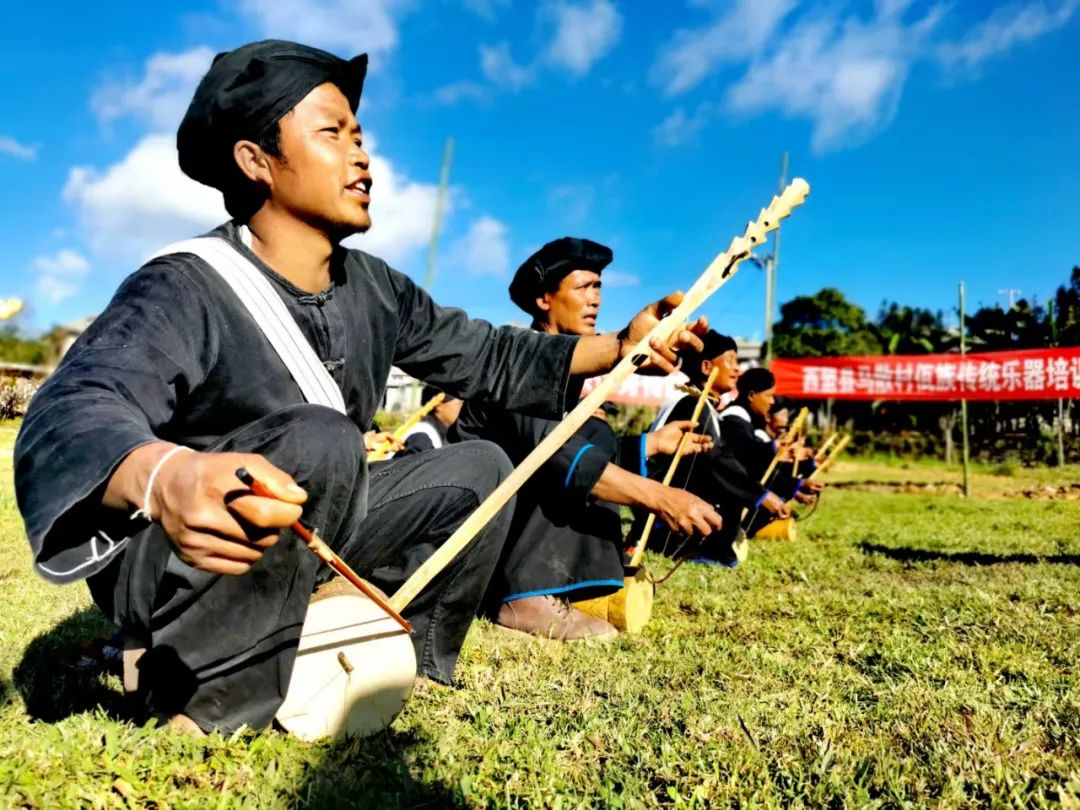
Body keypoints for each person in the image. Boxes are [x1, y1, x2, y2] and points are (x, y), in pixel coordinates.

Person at [13, 40, 706, 733]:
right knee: (320, 435)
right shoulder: (183, 283)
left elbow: (491, 355)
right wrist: (163, 475)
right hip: (183, 560)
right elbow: (70, 411)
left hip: (316, 531)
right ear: (256, 161)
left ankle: (406, 659)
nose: (362, 155)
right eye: (332, 134)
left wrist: (621, 346)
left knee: (481, 468)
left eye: (360, 136)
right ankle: (201, 698)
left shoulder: (376, 288)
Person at [453, 237, 719, 640]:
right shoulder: (523, 364)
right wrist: (662, 497)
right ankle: (522, 596)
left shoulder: (568, 382)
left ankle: (560, 586)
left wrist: (649, 445)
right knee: (578, 443)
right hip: (474, 531)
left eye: (599, 287)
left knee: (594, 429)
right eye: (583, 287)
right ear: (545, 299)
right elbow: (554, 454)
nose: (595, 299)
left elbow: (576, 449)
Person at [639, 334, 790, 564]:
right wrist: (760, 494)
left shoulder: (702, 403)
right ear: (707, 367)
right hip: (661, 513)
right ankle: (694, 548)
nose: (737, 369)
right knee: (729, 488)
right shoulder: (692, 402)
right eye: (730, 360)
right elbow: (714, 459)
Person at [718, 368, 816, 533]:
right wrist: (774, 449)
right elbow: (748, 463)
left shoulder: (745, 422)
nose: (772, 402)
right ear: (751, 395)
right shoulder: (734, 421)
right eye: (768, 395)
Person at [395, 385, 462, 457]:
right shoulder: (422, 436)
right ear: (439, 405)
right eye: (459, 404)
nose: (462, 408)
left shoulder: (443, 433)